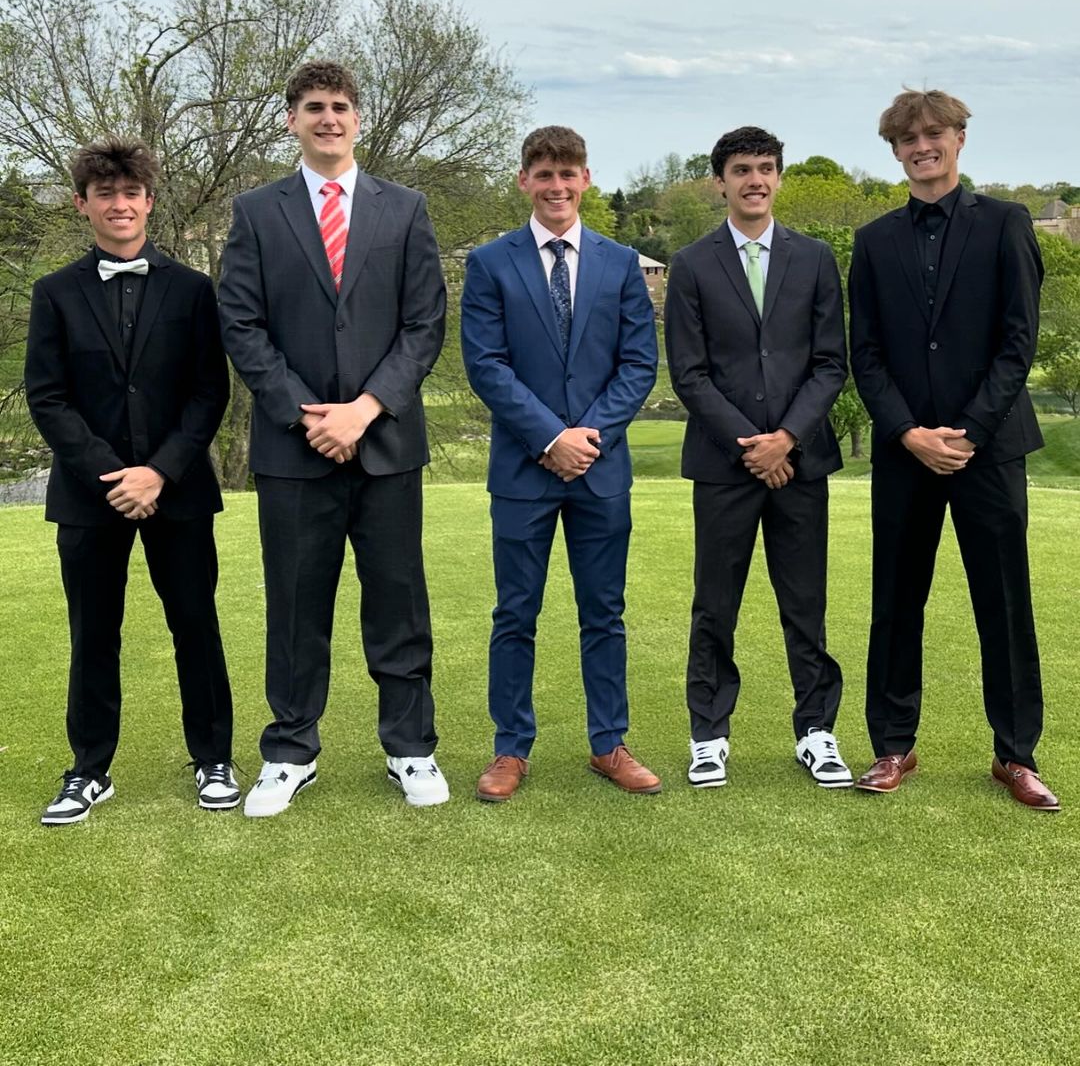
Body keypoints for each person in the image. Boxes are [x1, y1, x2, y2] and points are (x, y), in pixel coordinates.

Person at [218, 61, 448, 814]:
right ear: (291, 119)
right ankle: (290, 751)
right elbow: (241, 324)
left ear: (357, 117)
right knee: (294, 607)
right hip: (294, 450)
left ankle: (410, 747)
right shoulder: (257, 212)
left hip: (386, 447)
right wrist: (308, 413)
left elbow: (424, 324)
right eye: (314, 106)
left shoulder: (404, 209)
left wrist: (366, 408)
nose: (328, 117)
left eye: (340, 106)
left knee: (398, 604)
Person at [849, 89, 1058, 810]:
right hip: (904, 453)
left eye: (933, 133)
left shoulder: (1006, 223)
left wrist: (966, 431)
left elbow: (1018, 341)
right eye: (907, 139)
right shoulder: (874, 241)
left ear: (959, 138)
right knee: (895, 602)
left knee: (1003, 603)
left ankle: (1016, 754)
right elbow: (865, 352)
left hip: (987, 452)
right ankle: (892, 745)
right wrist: (910, 432)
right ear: (895, 151)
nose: (921, 147)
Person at [26, 138, 235, 825]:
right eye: (105, 194)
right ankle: (89, 769)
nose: (119, 204)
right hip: (90, 496)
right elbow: (48, 396)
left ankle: (214, 758)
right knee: (93, 633)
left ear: (149, 200)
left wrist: (159, 471)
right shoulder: (54, 292)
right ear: (82, 204)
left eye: (131, 193)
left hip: (179, 489)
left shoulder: (193, 289)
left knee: (195, 625)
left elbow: (209, 391)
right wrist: (112, 475)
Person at [461, 126, 660, 801]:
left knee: (604, 613)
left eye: (568, 173)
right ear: (524, 180)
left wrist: (586, 438)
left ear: (586, 179)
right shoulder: (491, 263)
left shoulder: (621, 263)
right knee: (515, 613)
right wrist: (551, 438)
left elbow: (639, 363)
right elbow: (486, 365)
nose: (556, 185)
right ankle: (510, 748)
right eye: (543, 173)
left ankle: (609, 743)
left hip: (600, 471)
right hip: (524, 471)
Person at [665, 126, 851, 789]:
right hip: (725, 466)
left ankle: (816, 731)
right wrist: (753, 445)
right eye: (742, 169)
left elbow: (830, 364)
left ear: (778, 177)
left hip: (801, 463)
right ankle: (709, 735)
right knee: (715, 605)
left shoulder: (815, 258)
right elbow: (689, 373)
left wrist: (787, 438)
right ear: (720, 181)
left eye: (766, 168)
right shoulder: (691, 264)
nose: (755, 180)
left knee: (805, 604)